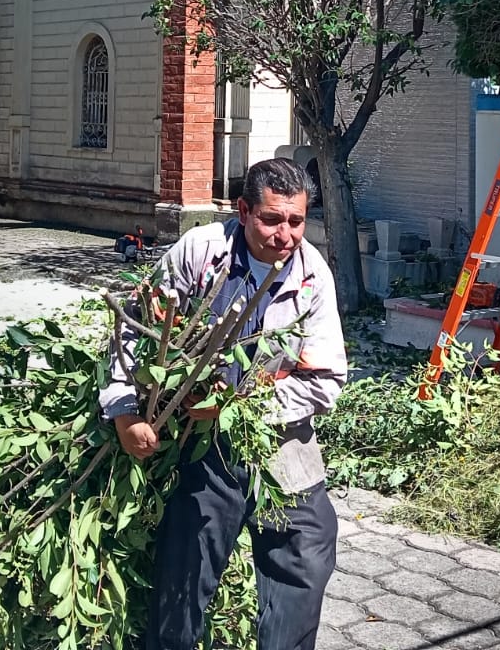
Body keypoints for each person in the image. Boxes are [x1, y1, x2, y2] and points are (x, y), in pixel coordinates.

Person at [100, 157, 347, 650]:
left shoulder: (312, 275)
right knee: (183, 570)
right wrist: (125, 413)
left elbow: (326, 382)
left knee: (308, 551)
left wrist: (241, 401)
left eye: (295, 221)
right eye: (271, 219)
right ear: (242, 211)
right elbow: (133, 331)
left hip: (279, 438)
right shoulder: (202, 251)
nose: (285, 234)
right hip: (199, 442)